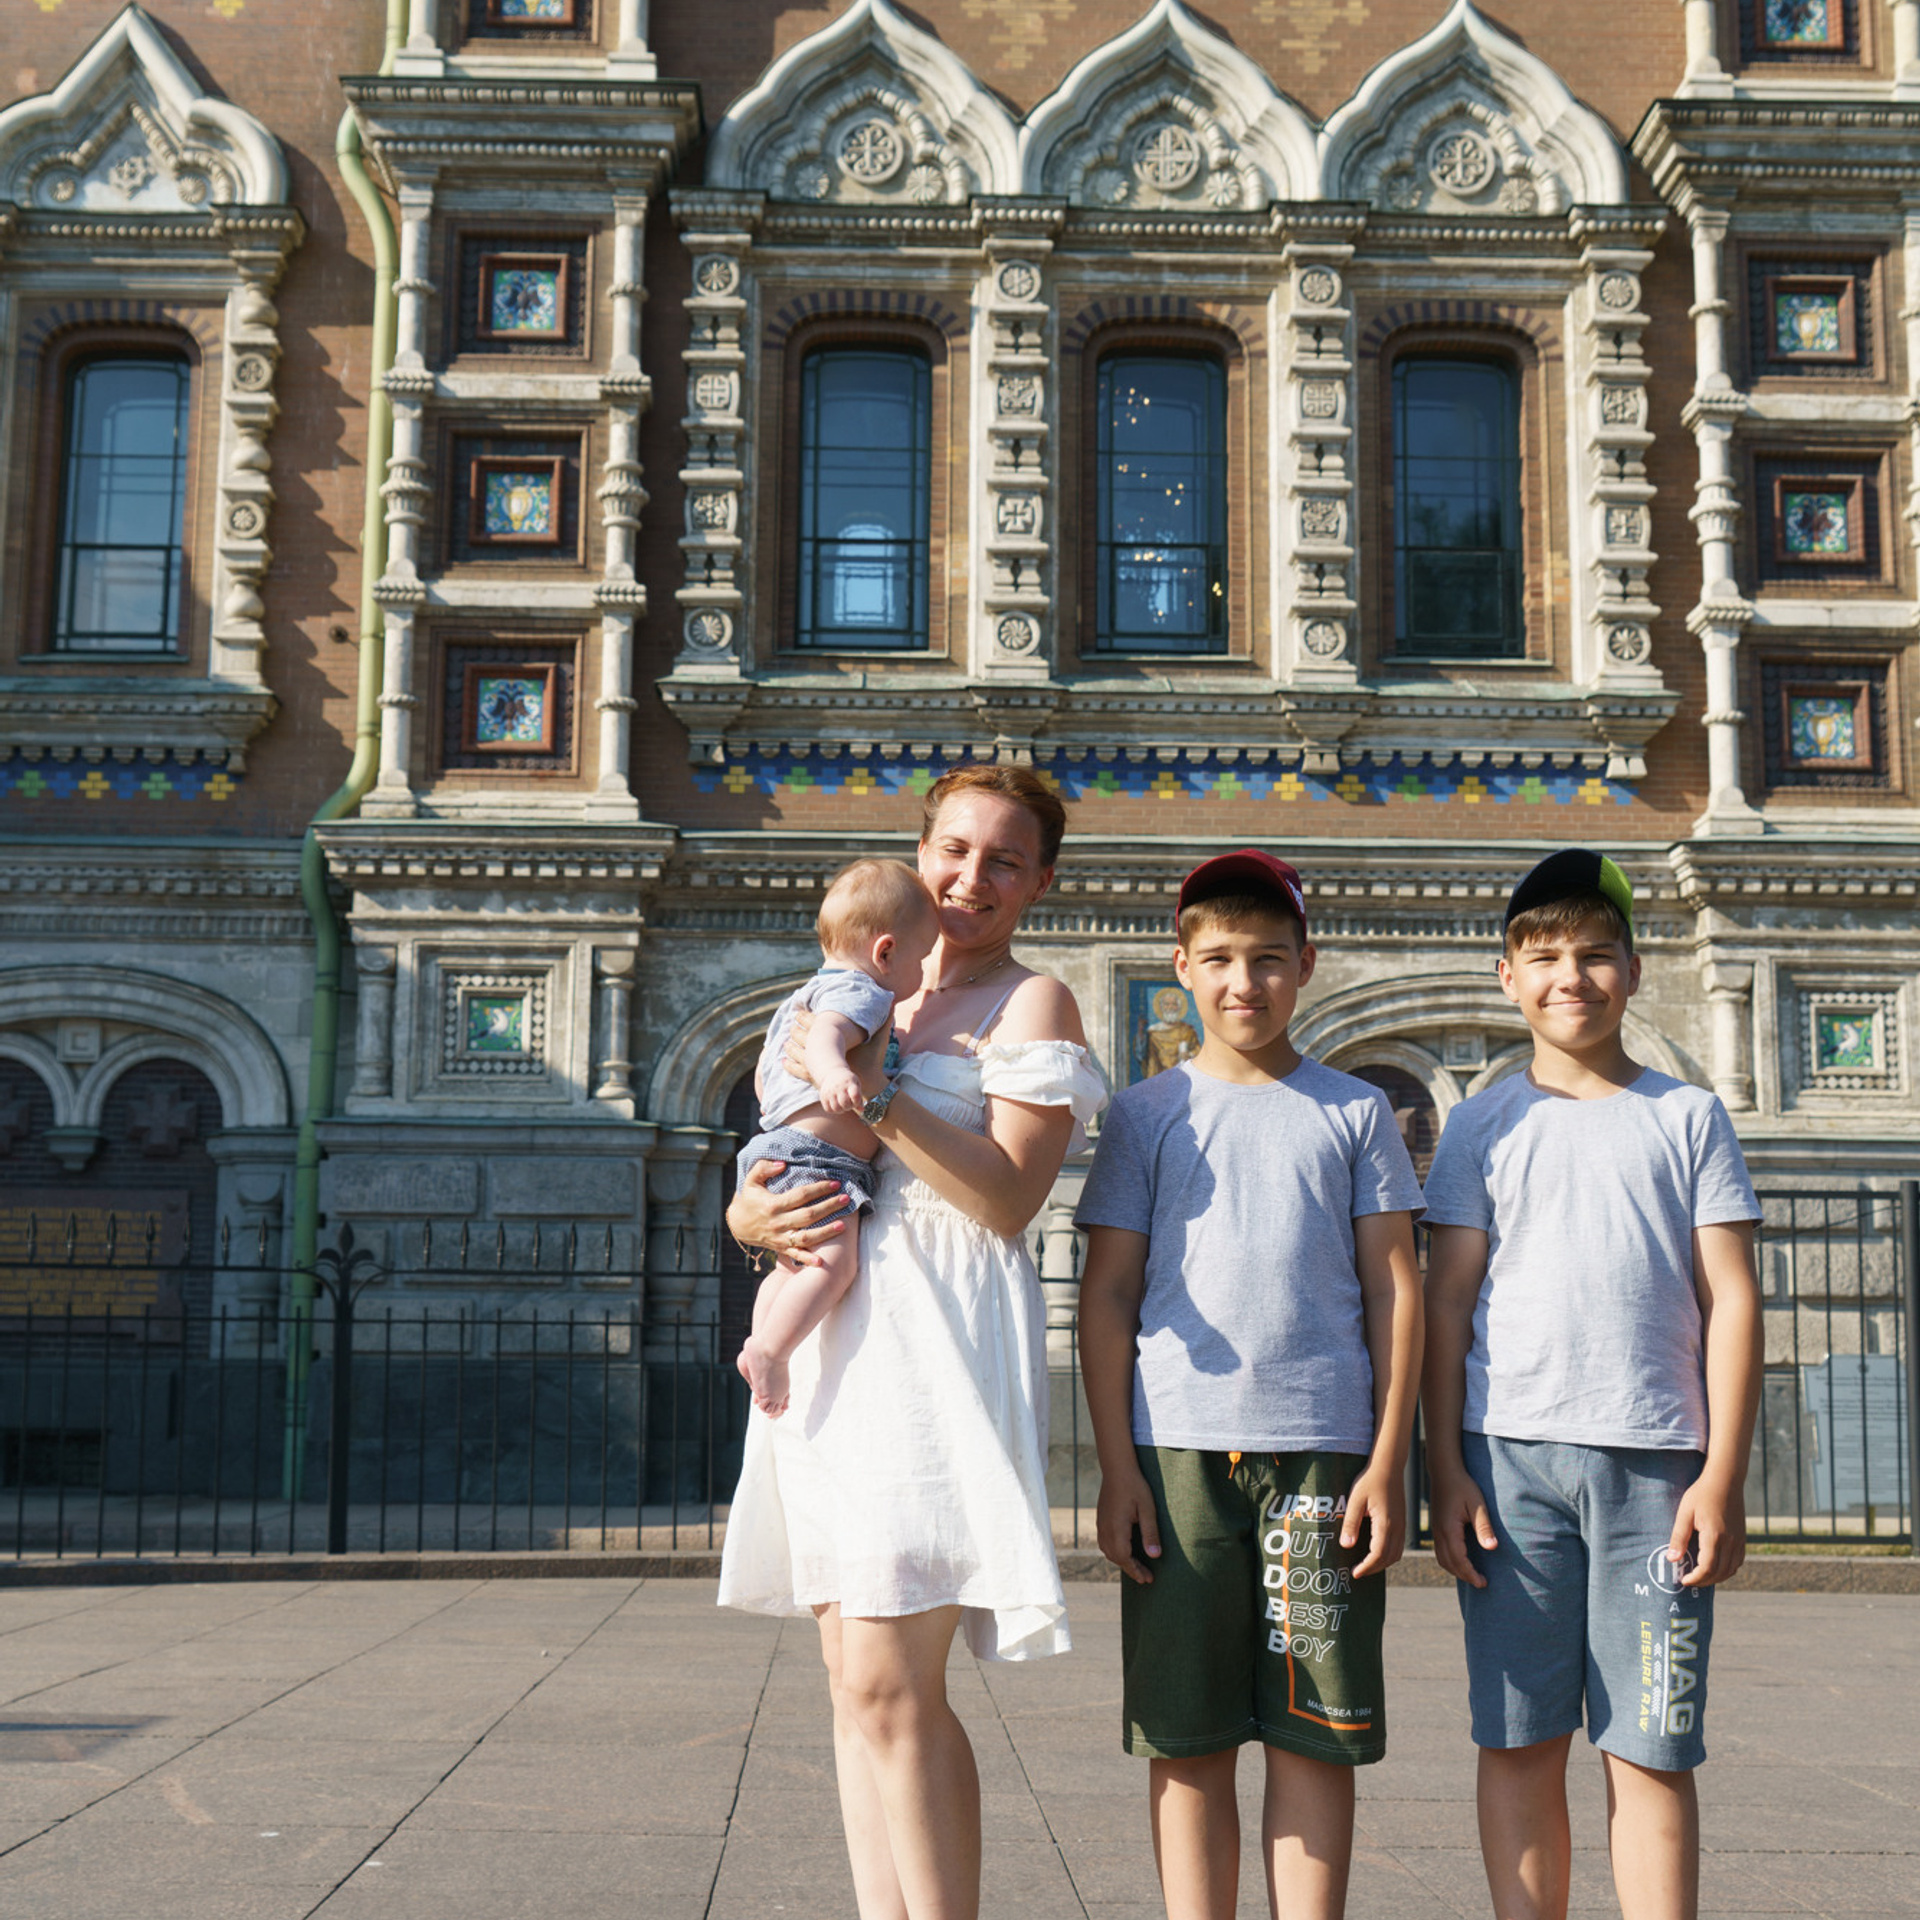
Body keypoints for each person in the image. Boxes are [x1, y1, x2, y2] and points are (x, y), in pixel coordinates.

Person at [718, 763, 1106, 1920]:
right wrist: (747, 1219)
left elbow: (1005, 1200)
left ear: (1038, 881)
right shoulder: (855, 989)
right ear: (920, 850)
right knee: (851, 1685)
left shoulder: (1031, 1004)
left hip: (933, 1351)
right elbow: (790, 1152)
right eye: (952, 849)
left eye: (1002, 859)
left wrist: (877, 1095)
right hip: (835, 1347)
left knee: (893, 1679)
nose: (968, 877)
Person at [1075, 849, 1425, 1920]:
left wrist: (1387, 1463)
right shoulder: (1145, 1114)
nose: (1245, 983)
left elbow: (1395, 1289)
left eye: (1269, 959)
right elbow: (1109, 1295)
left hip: (1323, 1453)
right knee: (1187, 1736)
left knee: (1316, 1729)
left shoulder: (1355, 1112)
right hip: (1177, 1457)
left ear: (1306, 965)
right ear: (1181, 966)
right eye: (1220, 958)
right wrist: (1115, 1469)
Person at [1420, 849, 1763, 1920]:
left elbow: (1735, 1300)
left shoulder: (1688, 1118)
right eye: (1547, 956)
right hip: (1508, 1464)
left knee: (1652, 1743)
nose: (1573, 976)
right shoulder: (1479, 1125)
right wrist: (1446, 1467)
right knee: (1520, 1736)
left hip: (1658, 1473)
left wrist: (1721, 1476)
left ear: (1635, 969)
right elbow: (1445, 1303)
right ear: (1508, 977)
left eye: (1597, 955)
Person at [734, 858, 941, 1416]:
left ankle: (762, 1346)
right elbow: (826, 1038)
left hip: (780, 1147)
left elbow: (763, 1073)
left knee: (791, 1264)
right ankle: (773, 1352)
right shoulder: (866, 993)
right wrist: (834, 1075)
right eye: (922, 958)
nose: (922, 970)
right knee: (833, 1265)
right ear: (887, 952)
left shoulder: (801, 994)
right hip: (821, 1157)